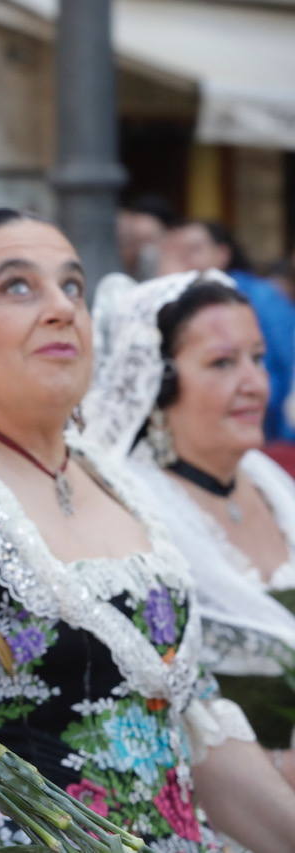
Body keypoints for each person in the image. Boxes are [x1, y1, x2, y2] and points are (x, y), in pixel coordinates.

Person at [0, 208, 295, 852]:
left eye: (71, 286)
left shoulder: (117, 479)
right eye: (17, 287)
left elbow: (197, 724)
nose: (59, 308)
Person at [86, 271, 295, 789]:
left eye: (257, 357)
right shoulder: (132, 510)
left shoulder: (271, 480)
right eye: (223, 363)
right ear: (158, 382)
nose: (255, 383)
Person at [158, 219, 295, 441]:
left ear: (222, 253)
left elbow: (288, 364)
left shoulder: (260, 296)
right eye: (176, 252)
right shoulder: (170, 302)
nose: (184, 260)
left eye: (194, 249)